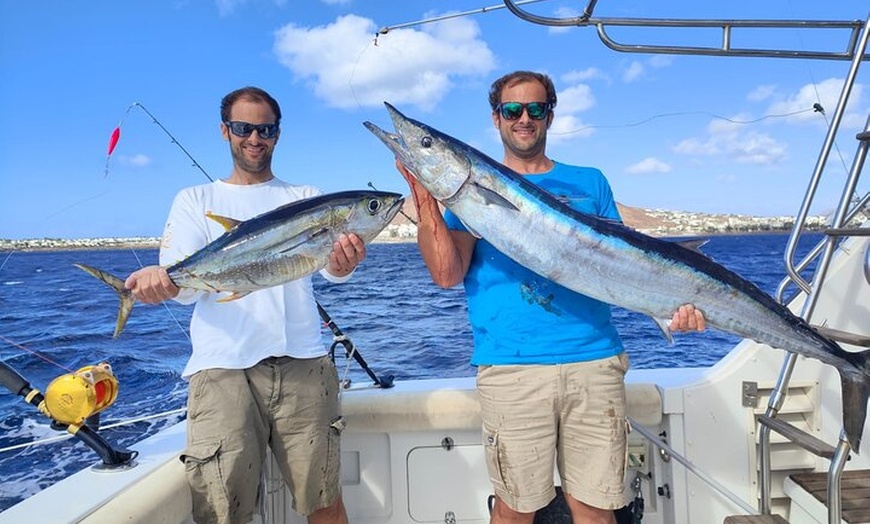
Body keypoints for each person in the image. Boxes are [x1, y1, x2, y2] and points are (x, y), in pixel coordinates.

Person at [396, 70, 706, 524]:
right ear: (496, 118)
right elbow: (447, 273)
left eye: (535, 109)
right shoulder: (468, 197)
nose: (524, 118)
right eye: (512, 109)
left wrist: (674, 304)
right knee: (514, 511)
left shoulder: (590, 182)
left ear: (549, 116)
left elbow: (628, 264)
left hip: (594, 363)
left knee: (596, 511)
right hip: (512, 367)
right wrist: (424, 192)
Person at [124, 86, 357, 524]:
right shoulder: (195, 200)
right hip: (222, 368)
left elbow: (331, 270)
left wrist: (344, 264)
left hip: (303, 363)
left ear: (277, 134)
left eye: (265, 129)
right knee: (222, 512)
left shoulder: (306, 196)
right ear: (225, 131)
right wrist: (162, 283)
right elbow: (185, 287)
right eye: (243, 128)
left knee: (324, 503)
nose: (254, 138)